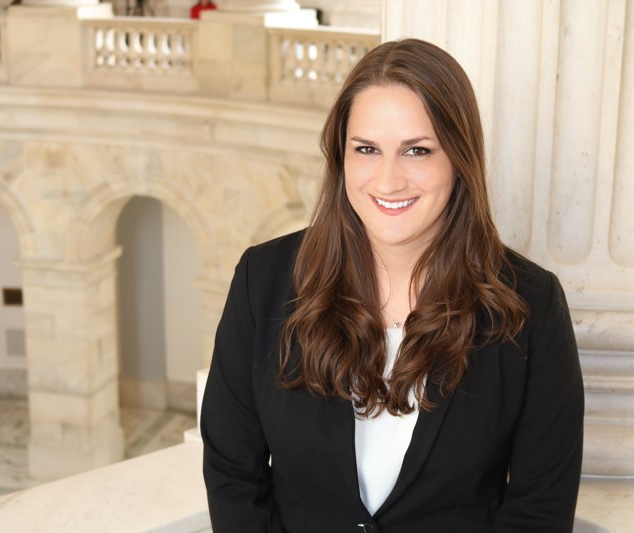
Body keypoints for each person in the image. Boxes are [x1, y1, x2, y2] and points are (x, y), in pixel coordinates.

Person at [201, 38, 584, 532]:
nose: (387, 180)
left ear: (459, 158)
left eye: (417, 151)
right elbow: (233, 473)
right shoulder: (263, 279)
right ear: (341, 157)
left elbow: (540, 510)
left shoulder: (533, 306)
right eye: (366, 149)